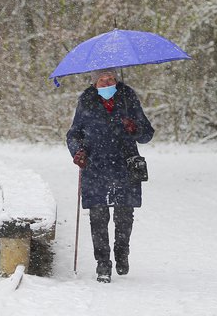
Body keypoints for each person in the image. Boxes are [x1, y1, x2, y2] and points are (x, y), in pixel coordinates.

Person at [66, 68, 154, 283]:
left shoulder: (127, 98)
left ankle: (122, 252)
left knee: (124, 216)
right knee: (98, 217)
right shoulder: (85, 101)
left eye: (111, 79)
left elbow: (147, 134)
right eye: (102, 80)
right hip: (95, 165)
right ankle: (103, 263)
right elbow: (73, 134)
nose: (107, 83)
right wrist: (77, 151)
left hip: (125, 164)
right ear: (94, 83)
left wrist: (134, 128)